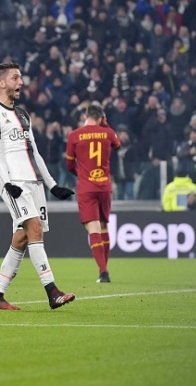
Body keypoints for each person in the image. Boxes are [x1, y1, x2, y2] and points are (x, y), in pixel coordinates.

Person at [0, 62, 76, 311]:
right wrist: (9, 183)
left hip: (33, 181)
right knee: (34, 228)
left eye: (20, 78)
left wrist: (52, 185)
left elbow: (35, 152)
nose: (21, 82)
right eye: (15, 78)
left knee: (21, 238)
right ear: (1, 82)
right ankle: (52, 292)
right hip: (13, 182)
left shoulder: (23, 114)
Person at [66, 104, 121, 283]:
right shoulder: (108, 133)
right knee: (103, 226)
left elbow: (69, 165)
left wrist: (82, 174)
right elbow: (118, 145)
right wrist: (105, 125)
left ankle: (103, 272)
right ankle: (104, 270)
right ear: (101, 117)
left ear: (86, 115)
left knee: (93, 228)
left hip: (86, 187)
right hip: (104, 186)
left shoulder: (74, 135)